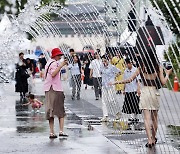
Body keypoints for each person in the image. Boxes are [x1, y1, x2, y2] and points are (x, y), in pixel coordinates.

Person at [109, 51, 172, 148]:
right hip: (155, 92)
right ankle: (154, 137)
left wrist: (116, 82)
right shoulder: (158, 67)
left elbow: (130, 80)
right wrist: (167, 74)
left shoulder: (141, 68)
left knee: (146, 119)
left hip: (145, 92)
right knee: (154, 118)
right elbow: (163, 82)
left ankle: (149, 140)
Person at [44, 48, 68, 139]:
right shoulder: (54, 63)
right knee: (60, 110)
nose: (60, 57)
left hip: (49, 88)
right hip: (55, 89)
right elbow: (53, 74)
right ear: (55, 56)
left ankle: (52, 132)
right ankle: (61, 131)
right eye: (59, 55)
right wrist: (61, 65)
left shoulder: (49, 62)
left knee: (51, 111)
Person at [100, 55, 121, 122]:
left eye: (105, 60)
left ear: (108, 60)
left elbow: (119, 72)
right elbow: (101, 73)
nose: (104, 62)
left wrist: (114, 78)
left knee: (111, 100)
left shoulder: (112, 67)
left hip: (111, 85)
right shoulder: (101, 67)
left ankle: (117, 112)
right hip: (104, 85)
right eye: (103, 61)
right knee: (104, 101)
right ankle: (105, 116)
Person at [122, 58, 142, 122]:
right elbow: (125, 81)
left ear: (130, 63)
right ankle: (131, 116)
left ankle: (135, 117)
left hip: (134, 89)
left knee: (135, 104)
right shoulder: (125, 71)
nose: (126, 65)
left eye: (127, 64)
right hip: (128, 89)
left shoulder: (135, 70)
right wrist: (123, 89)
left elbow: (138, 80)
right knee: (129, 104)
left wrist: (138, 89)